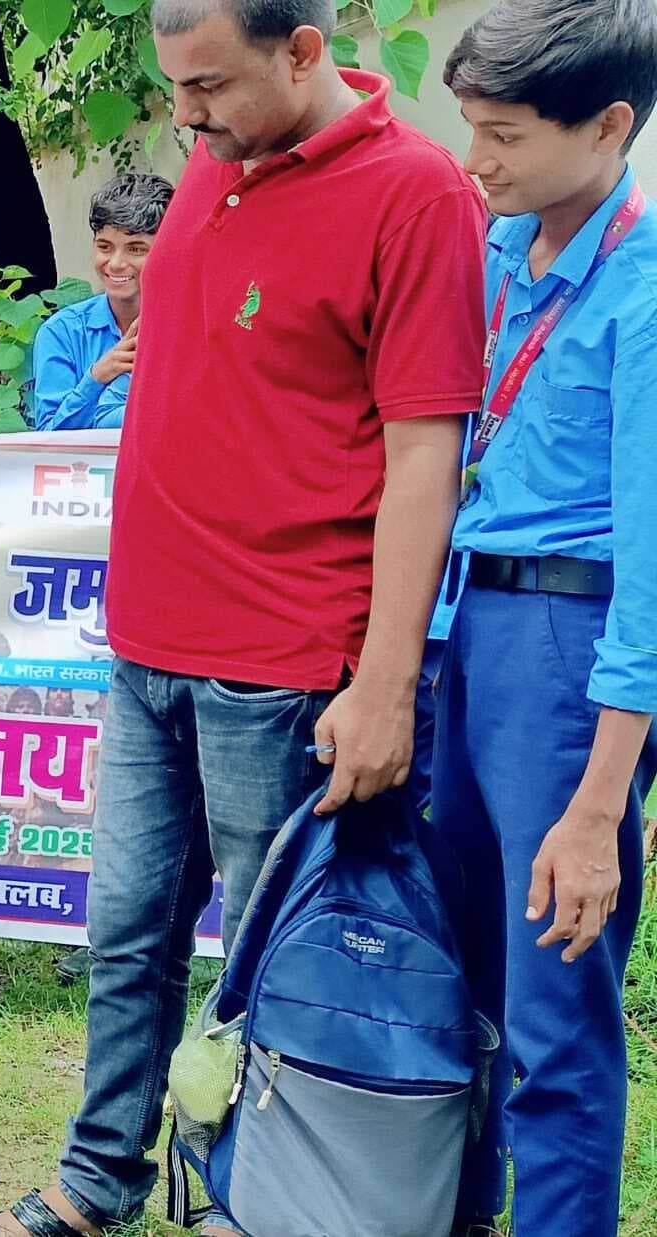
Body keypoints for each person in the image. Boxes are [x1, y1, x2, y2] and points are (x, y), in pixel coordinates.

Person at [0, 1, 486, 1234]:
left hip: (284, 660)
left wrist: (384, 684)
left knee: (270, 965)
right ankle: (98, 1182)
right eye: (174, 85)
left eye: (209, 86)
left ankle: (258, 1201)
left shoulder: (415, 196)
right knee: (125, 938)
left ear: (303, 52)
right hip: (145, 644)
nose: (185, 114)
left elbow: (424, 461)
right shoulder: (216, 158)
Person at [436, 5, 657, 1234]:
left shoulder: (643, 294)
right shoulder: (495, 254)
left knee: (553, 1010)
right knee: (459, 983)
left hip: (566, 666)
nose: (479, 159)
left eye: (504, 135)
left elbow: (652, 572)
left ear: (608, 126)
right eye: (471, 129)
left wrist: (595, 807)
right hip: (466, 639)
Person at [31, 174, 173, 431]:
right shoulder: (61, 332)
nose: (116, 263)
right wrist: (97, 377)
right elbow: (49, 440)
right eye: (105, 247)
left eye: (136, 249)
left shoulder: (192, 327)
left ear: (169, 249)